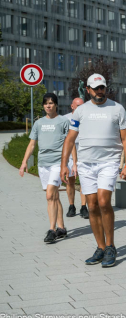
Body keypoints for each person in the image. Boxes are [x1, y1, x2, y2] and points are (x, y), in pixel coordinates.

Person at [60, 74, 126, 267]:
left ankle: (110, 246)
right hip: (86, 165)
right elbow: (70, 139)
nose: (100, 91)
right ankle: (100, 247)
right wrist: (63, 165)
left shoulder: (117, 109)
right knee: (91, 206)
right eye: (96, 88)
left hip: (109, 162)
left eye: (102, 87)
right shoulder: (80, 111)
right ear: (88, 90)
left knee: (103, 201)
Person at [19, 93, 69, 243]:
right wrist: (24, 162)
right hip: (43, 163)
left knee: (49, 196)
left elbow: (69, 143)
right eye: (46, 103)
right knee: (54, 196)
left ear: (56, 105)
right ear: (43, 106)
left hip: (57, 163)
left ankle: (52, 230)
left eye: (51, 103)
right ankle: (62, 227)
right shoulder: (38, 123)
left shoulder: (63, 121)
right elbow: (32, 144)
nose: (48, 105)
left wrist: (71, 163)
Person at [63, 97, 87, 219]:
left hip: (83, 153)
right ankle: (71, 206)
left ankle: (84, 206)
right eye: (78, 106)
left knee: (84, 180)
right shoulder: (65, 119)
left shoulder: (87, 119)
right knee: (70, 180)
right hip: (70, 154)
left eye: (82, 105)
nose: (80, 108)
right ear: (72, 106)